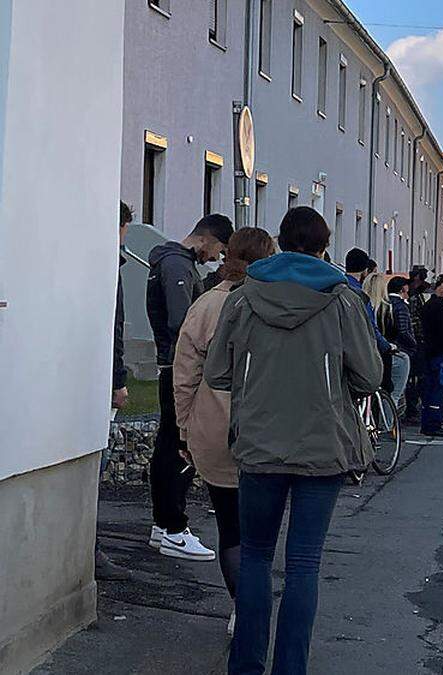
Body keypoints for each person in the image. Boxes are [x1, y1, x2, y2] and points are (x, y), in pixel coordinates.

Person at [204, 206, 382, 674]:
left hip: (259, 444)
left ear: (280, 243)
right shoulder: (343, 299)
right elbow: (369, 376)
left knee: (257, 557)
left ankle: (244, 666)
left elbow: (217, 372)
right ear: (325, 247)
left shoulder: (243, 297)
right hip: (322, 447)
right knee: (304, 564)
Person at [173, 228, 275, 636]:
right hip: (271, 428)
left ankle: (243, 609)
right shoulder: (277, 302)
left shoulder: (207, 306)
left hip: (217, 426)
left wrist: (184, 428)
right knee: (263, 530)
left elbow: (184, 375)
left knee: (231, 528)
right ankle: (260, 604)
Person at [145, 213, 232, 561]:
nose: (216, 258)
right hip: (179, 368)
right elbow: (184, 323)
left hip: (171, 365)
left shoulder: (173, 263)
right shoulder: (177, 267)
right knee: (179, 445)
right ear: (207, 239)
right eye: (219, 251)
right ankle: (173, 527)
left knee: (168, 443)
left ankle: (164, 524)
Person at [97, 203, 136, 582]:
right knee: (100, 463)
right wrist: (117, 379)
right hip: (99, 378)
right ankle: (89, 549)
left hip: (88, 373)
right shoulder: (107, 263)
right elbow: (114, 327)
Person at [419, 274, 443, 438]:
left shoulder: (429, 306)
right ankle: (433, 423)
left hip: (432, 353)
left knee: (432, 389)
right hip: (441, 355)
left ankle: (430, 421)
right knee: (438, 389)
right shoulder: (439, 307)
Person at [344, 248, 393, 359]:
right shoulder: (361, 295)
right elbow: (370, 326)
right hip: (358, 350)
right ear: (365, 270)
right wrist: (386, 347)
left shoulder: (338, 286)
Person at [385, 275, 418, 414]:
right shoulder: (401, 306)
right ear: (402, 289)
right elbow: (404, 330)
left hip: (387, 348)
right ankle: (389, 423)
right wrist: (414, 344)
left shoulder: (385, 303)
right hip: (400, 350)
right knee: (397, 392)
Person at [404, 266, 431, 425]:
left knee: (418, 378)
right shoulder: (413, 296)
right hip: (415, 342)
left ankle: (414, 409)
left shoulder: (416, 294)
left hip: (418, 340)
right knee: (415, 379)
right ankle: (411, 410)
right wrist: (418, 339)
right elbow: (414, 320)